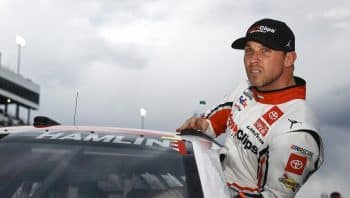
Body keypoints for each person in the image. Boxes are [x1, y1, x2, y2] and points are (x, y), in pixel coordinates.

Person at [177, 18, 324, 197]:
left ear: (289, 58)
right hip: (204, 184)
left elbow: (274, 196)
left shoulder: (299, 132)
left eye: (265, 51)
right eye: (249, 50)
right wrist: (200, 126)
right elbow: (213, 124)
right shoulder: (245, 88)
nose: (253, 59)